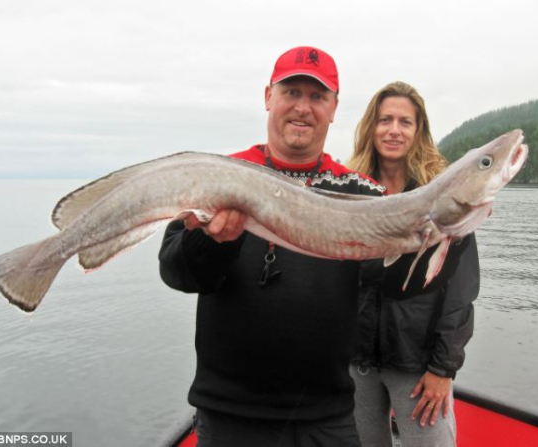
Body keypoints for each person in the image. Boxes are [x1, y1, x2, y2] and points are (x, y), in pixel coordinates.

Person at [158, 46, 385, 447]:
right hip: (231, 416)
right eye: (291, 92)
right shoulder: (221, 176)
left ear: (334, 108)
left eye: (317, 96)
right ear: (268, 97)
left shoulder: (361, 193)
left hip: (327, 417)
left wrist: (449, 234)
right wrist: (211, 243)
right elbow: (174, 271)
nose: (303, 108)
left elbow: (397, 284)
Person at [347, 81, 480, 447]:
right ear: (371, 128)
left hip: (418, 367)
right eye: (385, 120)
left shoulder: (446, 197)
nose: (394, 130)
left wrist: (443, 368)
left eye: (405, 122)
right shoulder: (350, 191)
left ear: (418, 130)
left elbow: (461, 293)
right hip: (357, 363)